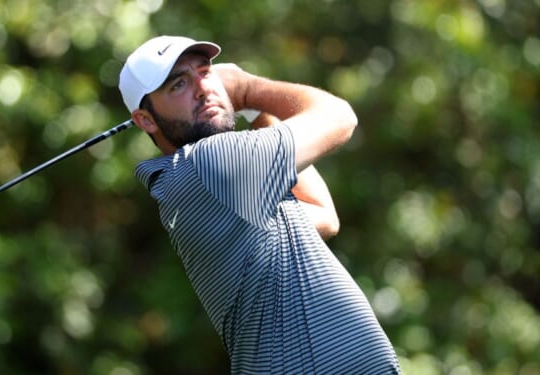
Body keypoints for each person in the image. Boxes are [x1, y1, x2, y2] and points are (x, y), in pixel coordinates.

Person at [119, 35, 401, 374]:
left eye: (205, 73)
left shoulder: (213, 184)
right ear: (146, 120)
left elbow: (323, 215)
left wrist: (254, 111)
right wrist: (249, 90)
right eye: (178, 84)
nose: (203, 88)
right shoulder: (211, 163)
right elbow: (340, 117)